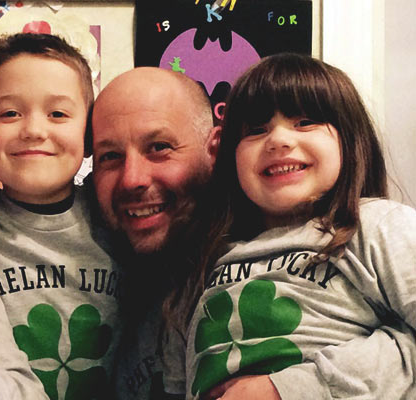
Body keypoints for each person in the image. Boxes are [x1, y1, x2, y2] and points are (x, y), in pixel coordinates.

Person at [172, 53, 416, 400]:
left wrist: (285, 390)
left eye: (305, 122)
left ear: (350, 139)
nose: (278, 140)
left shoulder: (378, 226)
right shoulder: (205, 256)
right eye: (256, 130)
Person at [0, 33, 122, 399]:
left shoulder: (113, 212)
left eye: (58, 114)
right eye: (9, 113)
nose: (33, 130)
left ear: (89, 135)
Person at [90, 66, 219, 399]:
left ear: (214, 152)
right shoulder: (104, 262)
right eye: (110, 156)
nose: (132, 178)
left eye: (159, 147)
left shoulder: (265, 267)